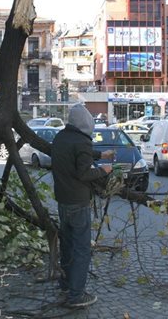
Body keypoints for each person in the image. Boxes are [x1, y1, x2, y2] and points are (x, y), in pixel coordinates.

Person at [51, 104, 114, 308]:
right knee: (81, 250)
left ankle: (66, 286)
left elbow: (75, 154)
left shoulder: (61, 138)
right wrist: (104, 170)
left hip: (62, 200)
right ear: (86, 124)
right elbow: (84, 173)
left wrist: (99, 155)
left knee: (68, 246)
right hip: (78, 202)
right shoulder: (83, 142)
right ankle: (77, 296)